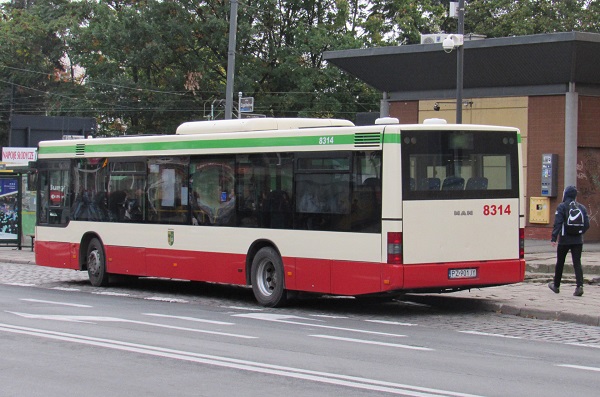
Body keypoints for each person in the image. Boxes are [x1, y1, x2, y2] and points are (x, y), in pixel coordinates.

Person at [549, 185, 590, 296]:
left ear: (565, 194)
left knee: (560, 262)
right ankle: (579, 286)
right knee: (577, 263)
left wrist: (554, 237)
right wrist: (579, 233)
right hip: (578, 240)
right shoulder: (582, 207)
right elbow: (587, 224)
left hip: (564, 240)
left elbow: (558, 223)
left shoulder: (562, 206)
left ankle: (556, 285)